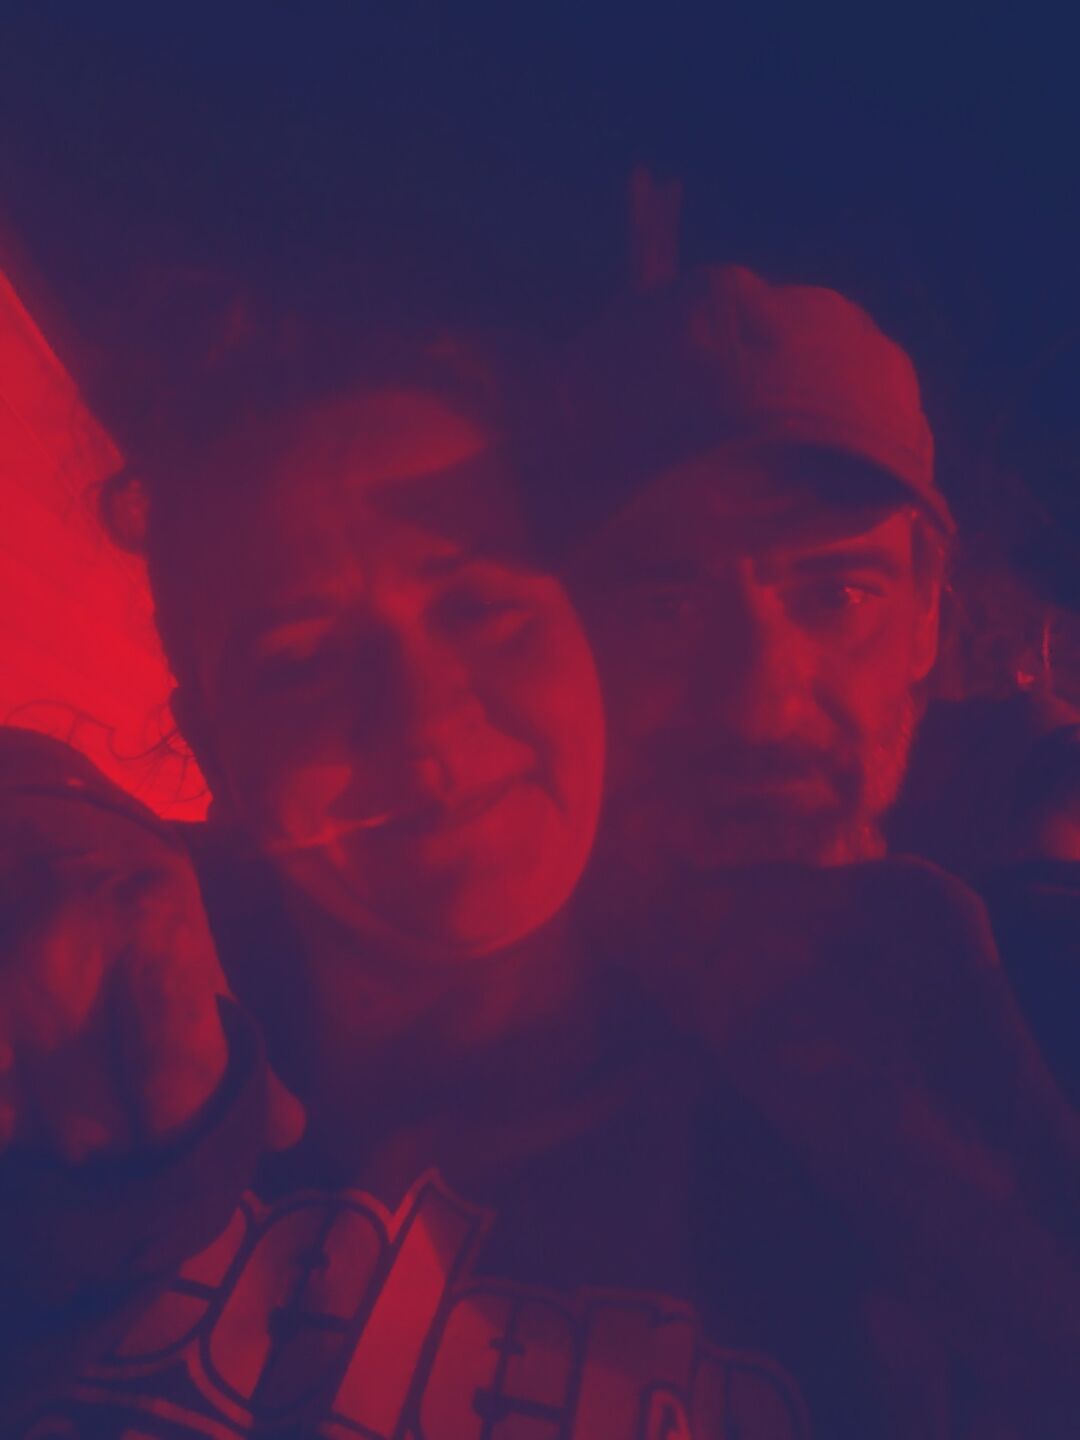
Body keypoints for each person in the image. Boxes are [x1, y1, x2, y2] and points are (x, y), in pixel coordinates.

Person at [545, 263, 1080, 1432]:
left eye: (837, 595)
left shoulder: (1038, 984)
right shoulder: (425, 1007)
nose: (759, 702)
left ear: (928, 613)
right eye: (667, 607)